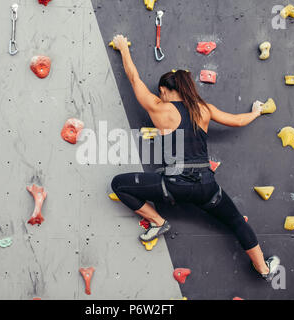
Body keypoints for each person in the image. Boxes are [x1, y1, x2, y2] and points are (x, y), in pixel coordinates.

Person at [110, 35, 280, 281]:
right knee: (235, 222)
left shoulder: (160, 107)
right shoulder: (204, 109)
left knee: (119, 184)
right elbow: (236, 121)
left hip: (174, 187)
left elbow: (134, 78)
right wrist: (256, 112)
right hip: (206, 187)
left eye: (161, 91)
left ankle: (157, 221)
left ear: (166, 90)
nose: (161, 95)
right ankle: (263, 269)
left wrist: (124, 48)